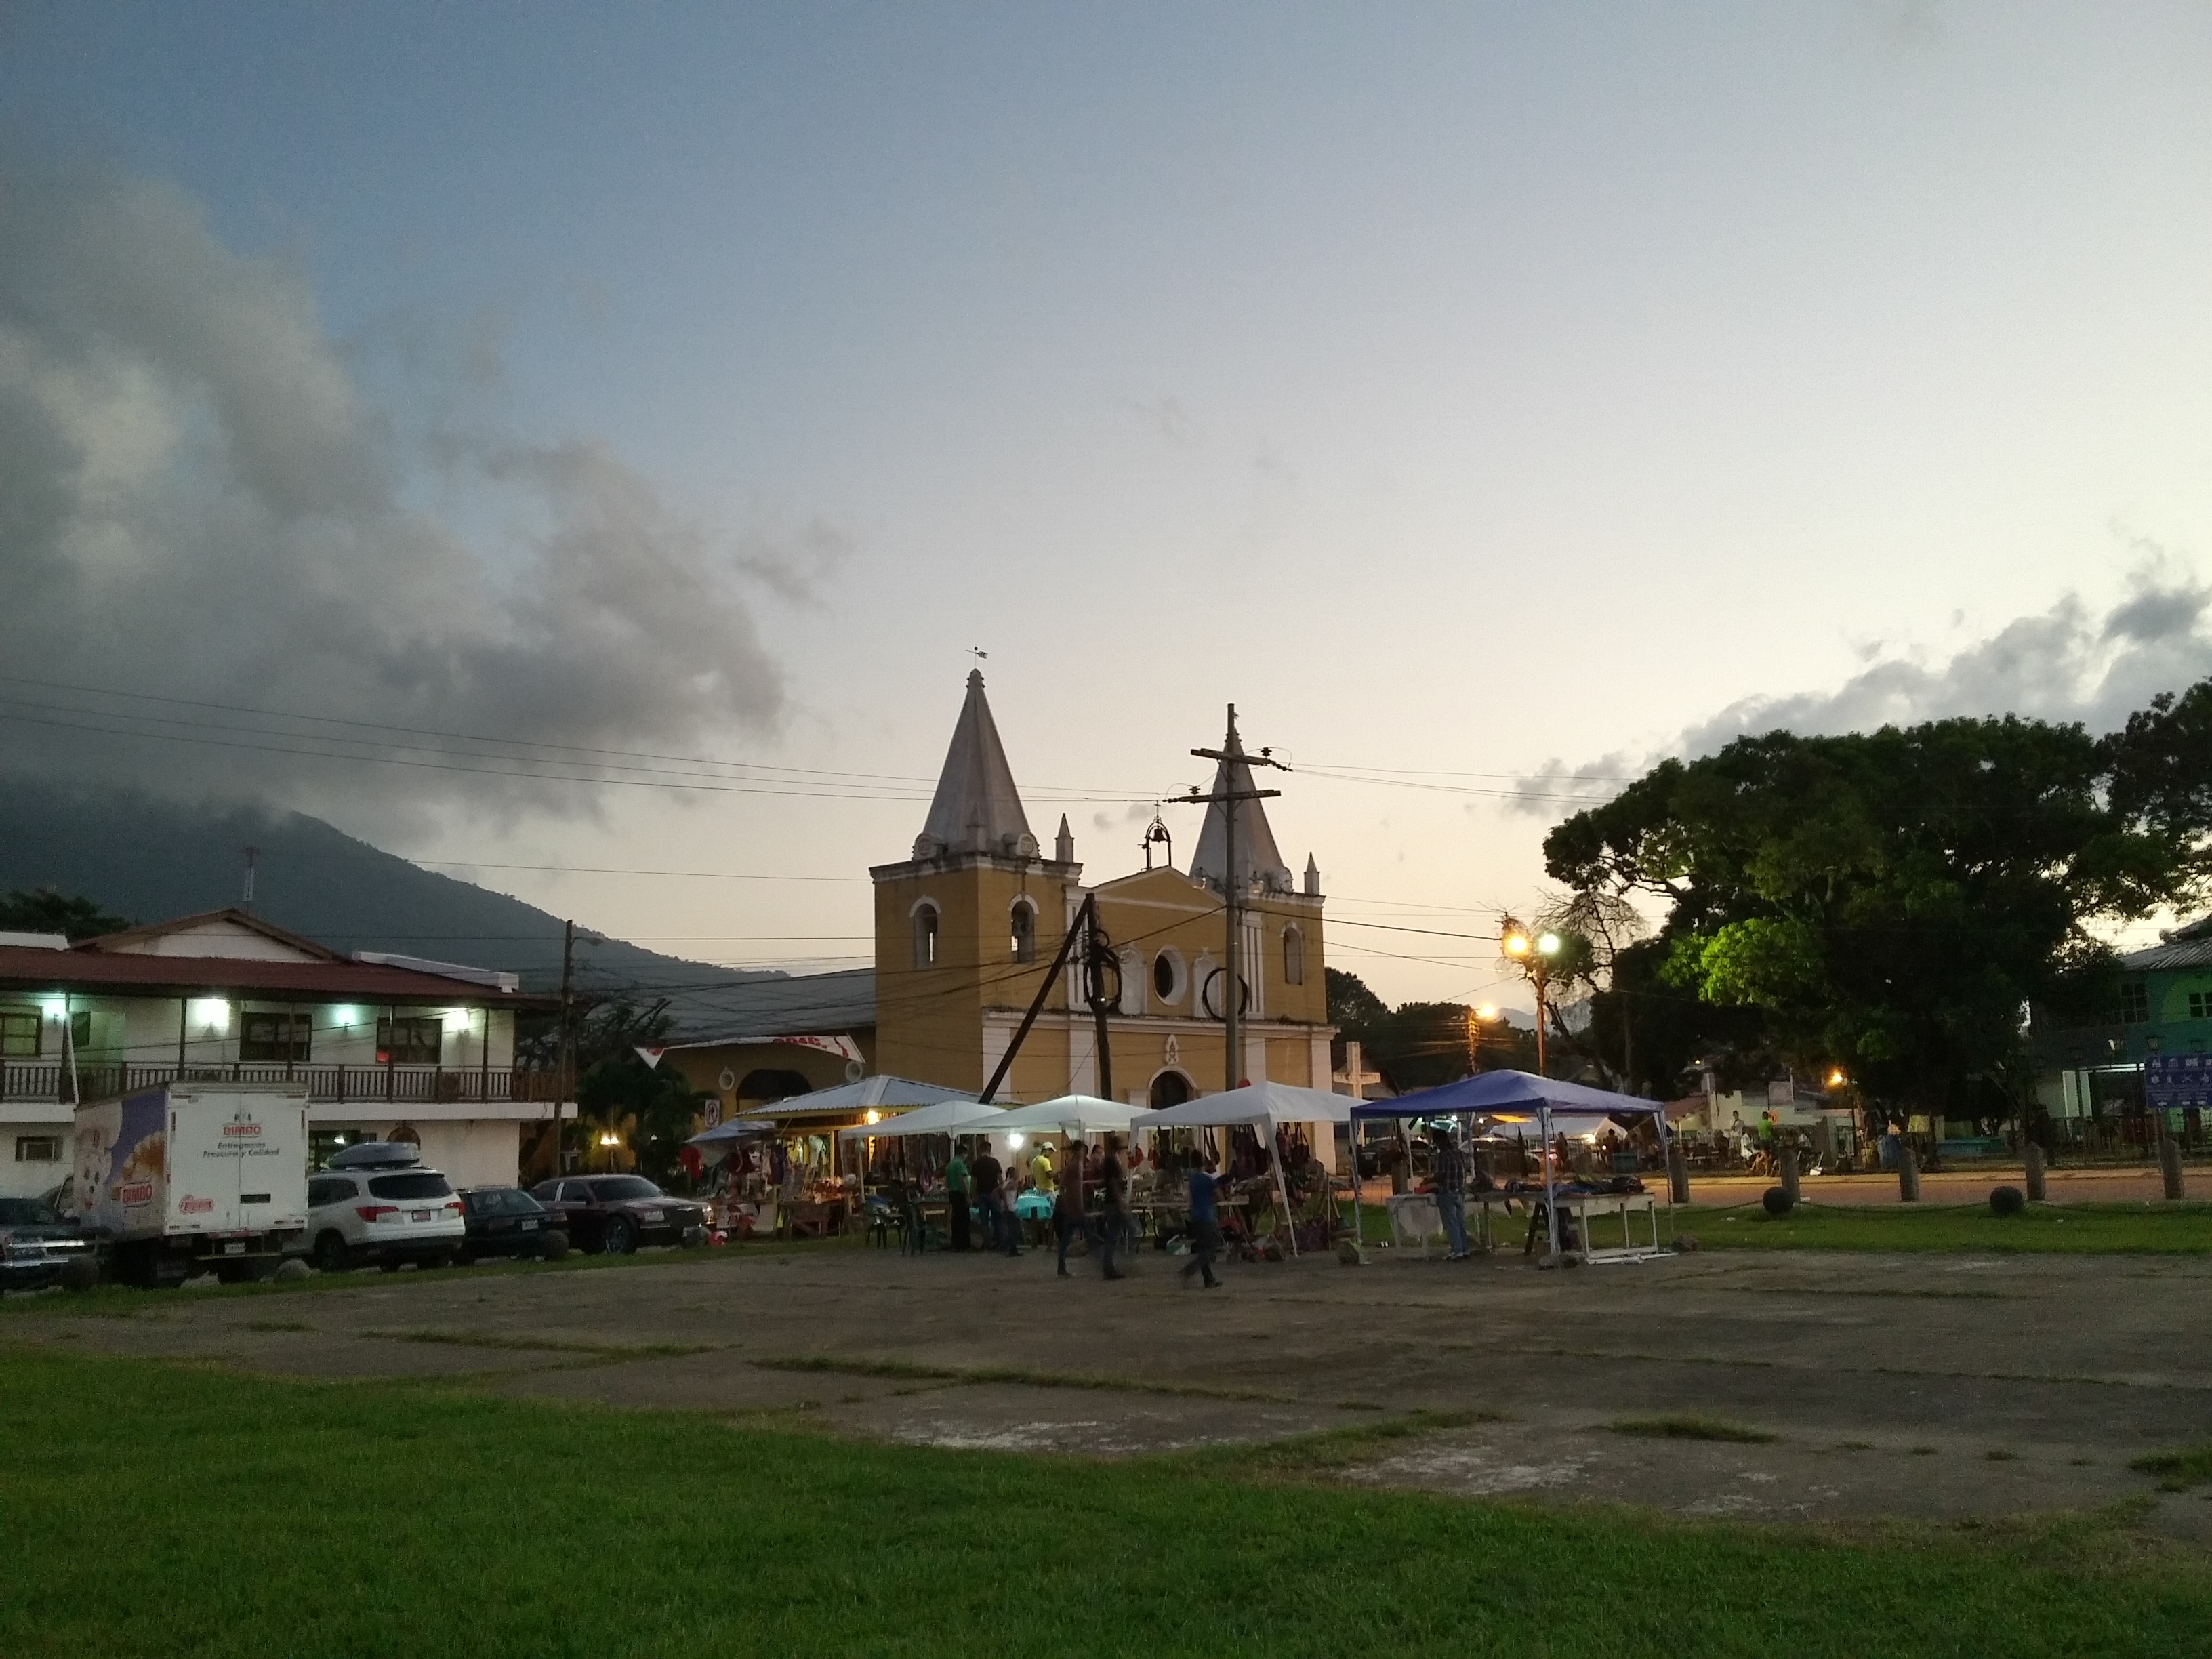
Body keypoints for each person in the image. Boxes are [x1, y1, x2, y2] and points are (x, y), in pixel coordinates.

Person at [1179, 1154, 1223, 1288]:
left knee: (1203, 1247)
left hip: (1196, 1215)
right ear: (1204, 1163)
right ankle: (1190, 1269)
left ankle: (1209, 1279)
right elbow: (1219, 1196)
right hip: (1207, 1215)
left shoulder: (1192, 1180)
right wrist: (1212, 1201)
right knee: (1211, 1249)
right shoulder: (1208, 1179)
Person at [1433, 1121, 1471, 1261]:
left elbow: (1441, 1174)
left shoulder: (1443, 1155)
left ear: (1439, 1141)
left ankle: (1457, 1249)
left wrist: (1430, 1180)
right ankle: (1465, 1248)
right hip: (1459, 1190)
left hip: (1447, 1191)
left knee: (1451, 1222)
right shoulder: (1458, 1152)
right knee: (1460, 1221)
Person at [1054, 1137, 1086, 1277]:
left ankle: (1061, 1267)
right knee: (1084, 1235)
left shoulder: (1074, 1164)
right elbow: (1066, 1186)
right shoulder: (1075, 1165)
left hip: (1072, 1207)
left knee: (1067, 1239)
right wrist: (1071, 1204)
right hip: (1073, 1207)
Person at [1098, 1136, 1129, 1280]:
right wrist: (1120, 1201)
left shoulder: (1109, 1160)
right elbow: (1113, 1183)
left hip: (1112, 1201)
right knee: (1115, 1235)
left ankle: (1109, 1265)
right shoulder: (1111, 1161)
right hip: (1113, 1202)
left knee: (1114, 1235)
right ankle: (1110, 1266)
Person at [972, 1142, 1003, 1252]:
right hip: (993, 1193)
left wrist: (973, 1195)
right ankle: (1000, 1243)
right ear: (990, 1149)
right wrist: (999, 1191)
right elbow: (1000, 1179)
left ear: (980, 1149)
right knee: (997, 1219)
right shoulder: (994, 1162)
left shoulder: (977, 1163)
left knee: (984, 1220)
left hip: (981, 1194)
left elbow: (974, 1182)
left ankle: (987, 1244)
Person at [945, 1141, 972, 1252]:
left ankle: (956, 1243)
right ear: (963, 1153)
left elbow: (947, 1181)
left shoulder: (950, 1164)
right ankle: (964, 1244)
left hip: (953, 1193)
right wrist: (968, 1195)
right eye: (966, 1154)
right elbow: (963, 1179)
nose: (966, 1157)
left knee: (956, 1218)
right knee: (964, 1219)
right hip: (960, 1194)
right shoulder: (960, 1164)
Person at [998, 1158, 1023, 1256]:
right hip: (1011, 1207)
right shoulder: (1012, 1182)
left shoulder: (1006, 1181)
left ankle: (1010, 1248)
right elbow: (1004, 1191)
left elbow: (1000, 1190)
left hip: (1007, 1206)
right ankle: (1011, 1249)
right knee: (1014, 1229)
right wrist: (1007, 1203)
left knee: (1010, 1228)